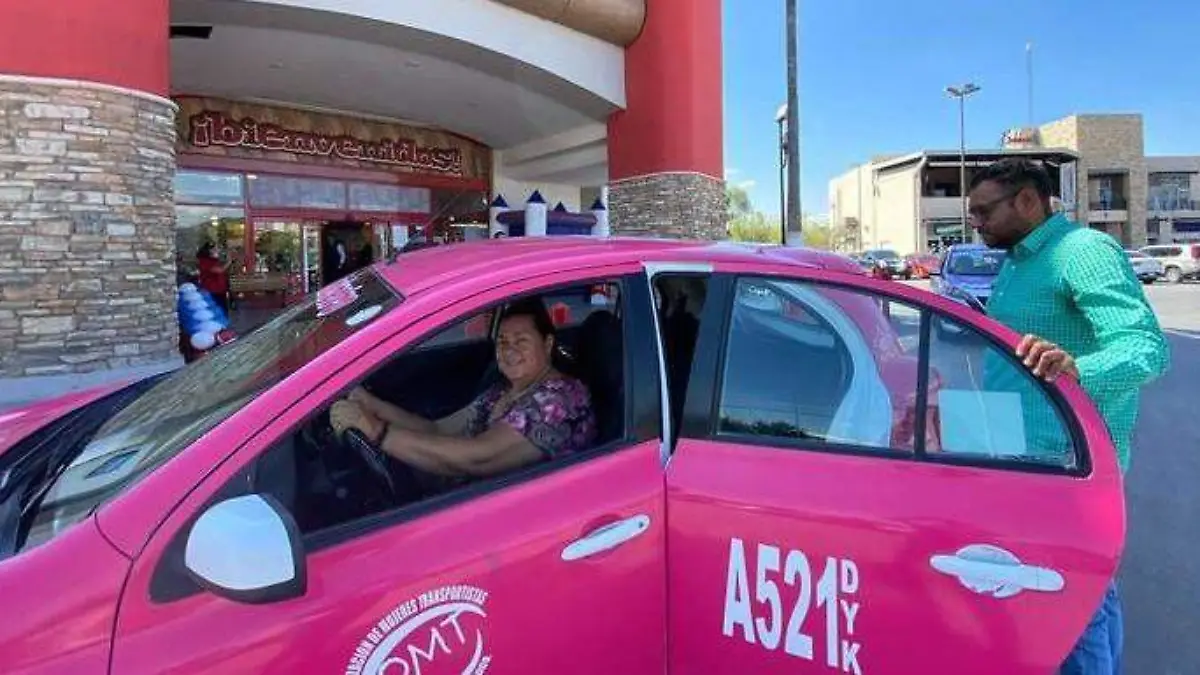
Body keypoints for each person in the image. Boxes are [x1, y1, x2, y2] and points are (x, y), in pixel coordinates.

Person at [967, 158, 1169, 675]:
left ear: (1029, 201)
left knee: (1072, 603)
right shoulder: (1016, 258)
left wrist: (1079, 368)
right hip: (1021, 449)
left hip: (1065, 463)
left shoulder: (1082, 252)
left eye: (985, 211)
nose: (977, 223)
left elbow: (1145, 348)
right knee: (1087, 593)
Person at [330, 298, 597, 481]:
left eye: (521, 340)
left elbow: (477, 459)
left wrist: (376, 431)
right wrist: (369, 404)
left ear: (548, 344)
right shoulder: (503, 391)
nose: (509, 350)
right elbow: (437, 429)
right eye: (502, 341)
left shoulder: (559, 400)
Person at [196, 242, 235, 314]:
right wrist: (229, 261)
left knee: (222, 311)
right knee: (217, 311)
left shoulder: (214, 260)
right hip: (212, 290)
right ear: (209, 251)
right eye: (215, 248)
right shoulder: (205, 261)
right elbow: (219, 270)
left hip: (220, 290)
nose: (218, 250)